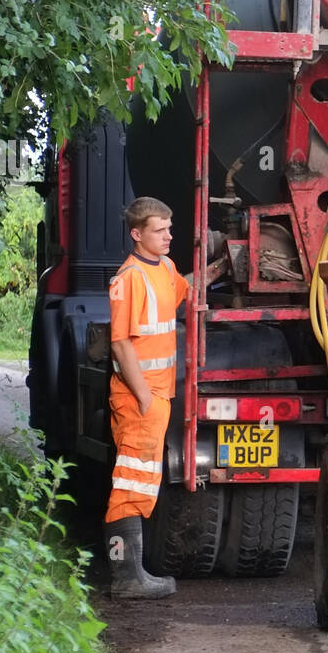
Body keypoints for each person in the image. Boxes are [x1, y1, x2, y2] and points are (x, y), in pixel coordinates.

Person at [103, 197, 190, 600]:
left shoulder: (167, 269)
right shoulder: (128, 278)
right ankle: (126, 578)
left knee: (143, 480)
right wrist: (142, 398)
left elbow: (185, 290)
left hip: (158, 396)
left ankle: (135, 574)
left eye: (170, 228)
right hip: (140, 398)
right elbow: (119, 343)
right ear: (137, 234)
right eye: (160, 230)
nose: (169, 236)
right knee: (130, 482)